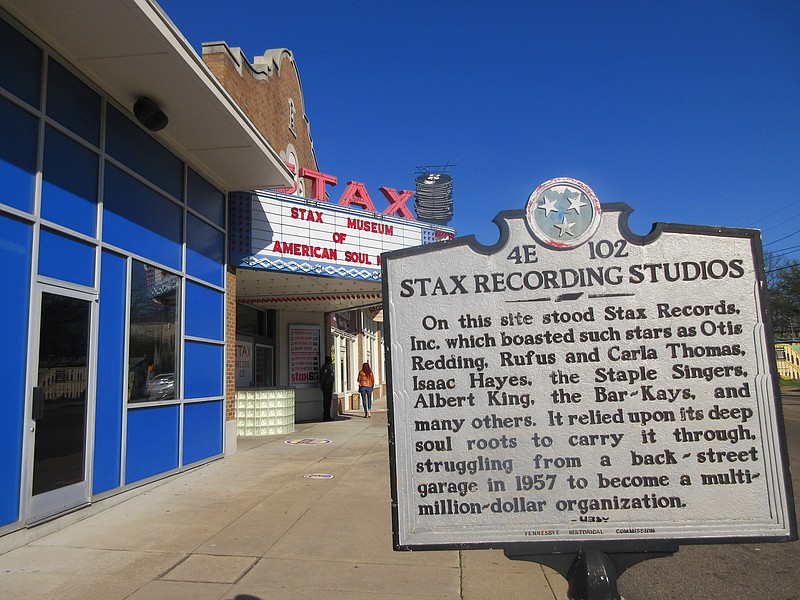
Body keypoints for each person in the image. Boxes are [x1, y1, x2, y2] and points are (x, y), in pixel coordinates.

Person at [319, 355, 335, 421]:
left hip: (329, 385)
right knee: (327, 401)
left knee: (328, 401)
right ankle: (326, 416)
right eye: (330, 360)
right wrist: (321, 384)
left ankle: (327, 415)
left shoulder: (329, 366)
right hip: (327, 385)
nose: (331, 361)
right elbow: (323, 376)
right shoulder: (325, 367)